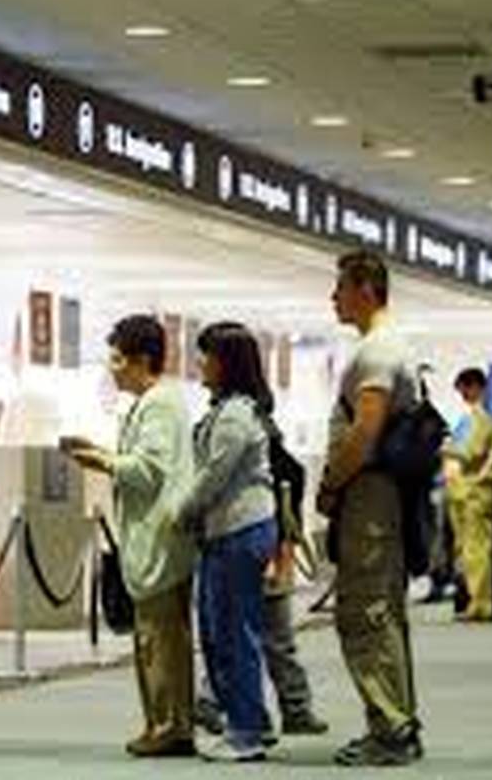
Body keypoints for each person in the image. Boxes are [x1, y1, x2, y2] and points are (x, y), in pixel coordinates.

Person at [66, 315, 197, 758]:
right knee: (160, 636)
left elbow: (148, 470)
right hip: (157, 536)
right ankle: (167, 722)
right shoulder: (156, 402)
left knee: (158, 638)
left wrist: (102, 461)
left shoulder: (159, 404)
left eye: (119, 360)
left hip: (159, 538)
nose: (113, 368)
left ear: (143, 360)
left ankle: (168, 725)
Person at [316, 250, 422, 766]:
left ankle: (390, 727)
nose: (333, 297)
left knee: (366, 609)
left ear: (364, 288)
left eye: (340, 287)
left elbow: (365, 432)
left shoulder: (378, 350)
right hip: (379, 494)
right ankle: (396, 721)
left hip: (370, 495)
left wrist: (331, 483)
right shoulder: (385, 345)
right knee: (382, 607)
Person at [180, 322, 279, 762]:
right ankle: (250, 720)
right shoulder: (229, 410)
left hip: (239, 530)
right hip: (230, 531)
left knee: (232, 634)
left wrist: (180, 511)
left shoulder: (236, 414)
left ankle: (246, 732)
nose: (200, 363)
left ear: (227, 362)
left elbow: (213, 476)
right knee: (224, 631)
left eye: (207, 355)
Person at [443, 368, 492, 621]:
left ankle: (480, 604)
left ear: (474, 387)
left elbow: (472, 453)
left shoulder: (483, 415)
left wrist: (446, 450)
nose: (462, 396)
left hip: (478, 487)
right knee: (489, 549)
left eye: (463, 390)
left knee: (476, 549)